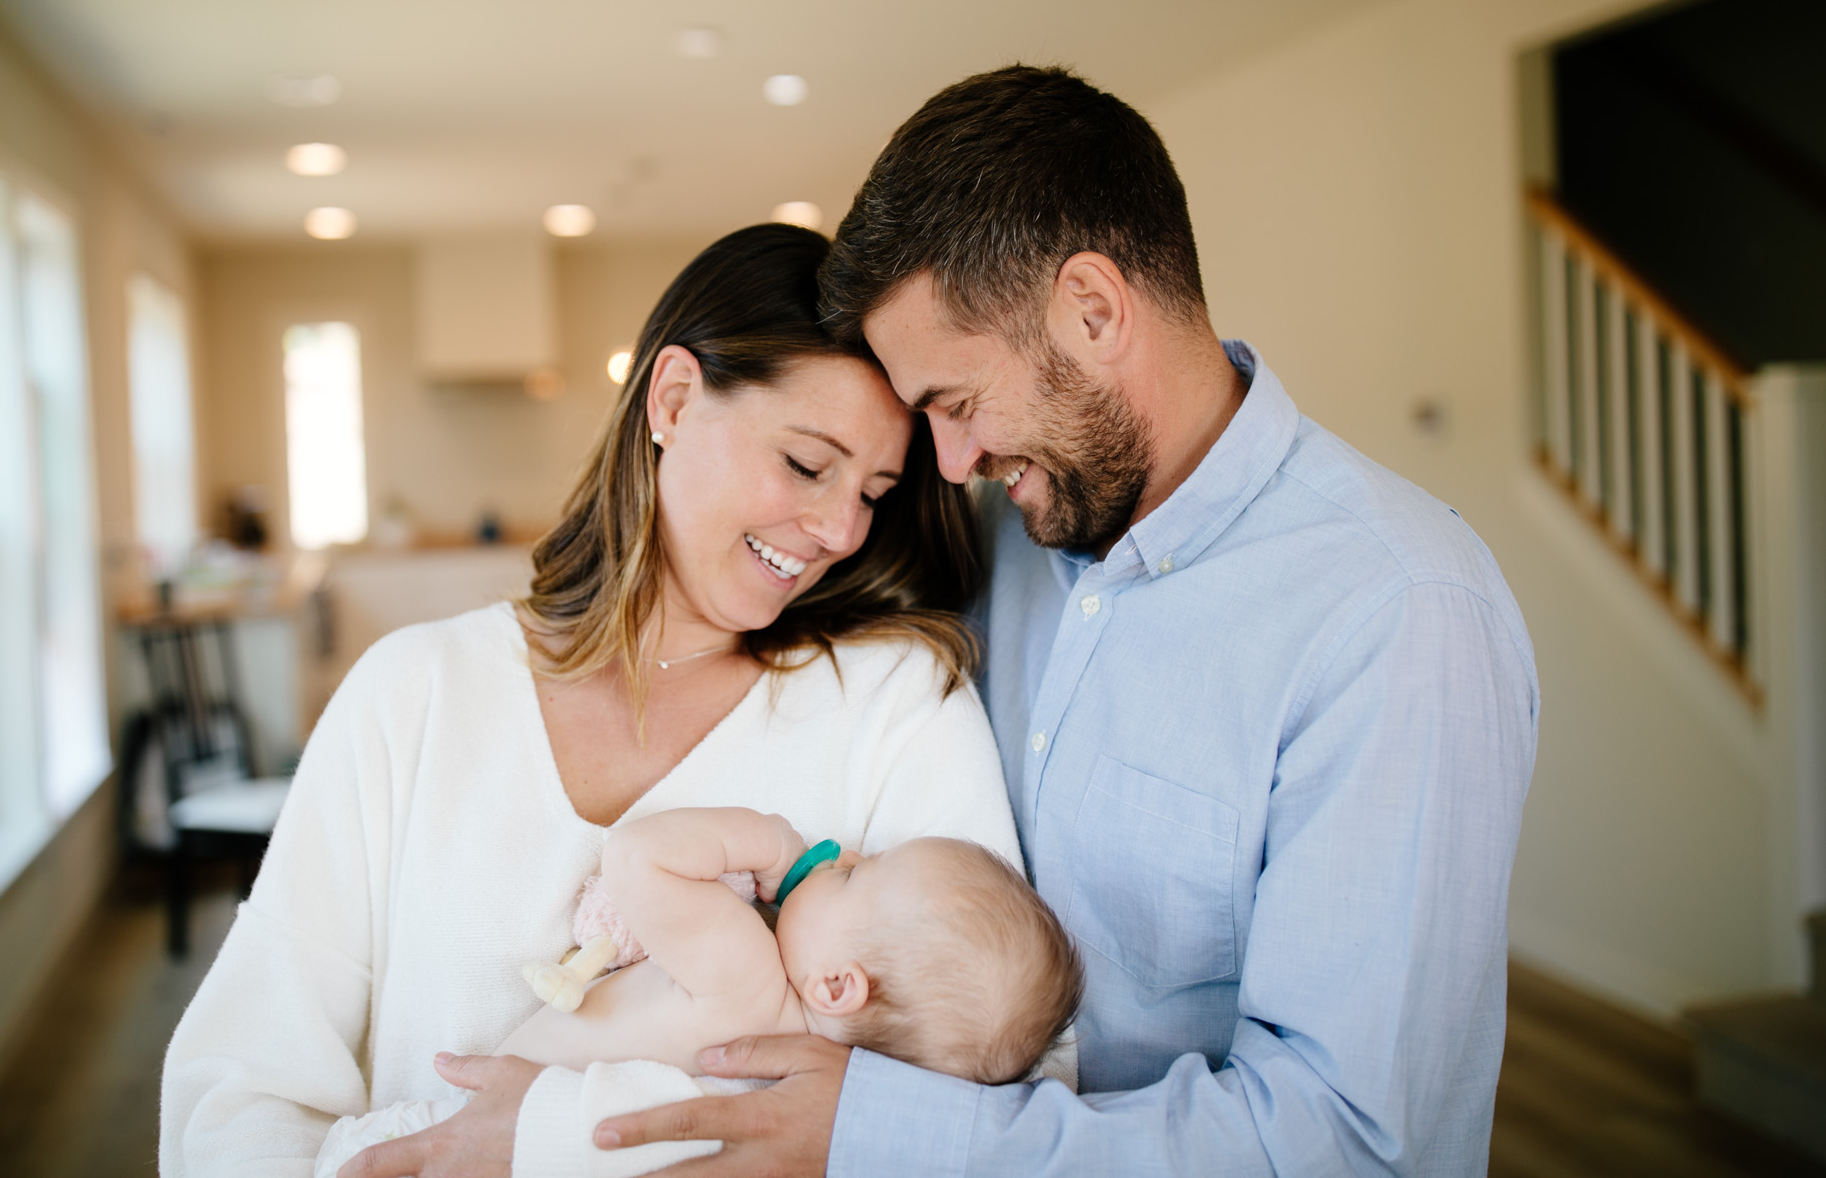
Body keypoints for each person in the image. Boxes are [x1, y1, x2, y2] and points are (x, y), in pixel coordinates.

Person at [521, 65, 1540, 1175]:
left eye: (955, 404)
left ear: (1093, 311)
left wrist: (872, 1129)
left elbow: (1352, 1144)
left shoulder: (1394, 615)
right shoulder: (1000, 541)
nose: (948, 463)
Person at [157, 224, 1027, 1176]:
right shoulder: (413, 694)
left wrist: (555, 1136)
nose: (836, 529)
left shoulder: (894, 700)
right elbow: (236, 1092)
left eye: (874, 491)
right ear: (676, 398)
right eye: (808, 465)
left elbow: (994, 1087)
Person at [314, 808, 1083, 1176]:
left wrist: (779, 847)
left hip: (445, 1131)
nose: (844, 854)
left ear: (839, 984)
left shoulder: (750, 976)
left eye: (855, 873)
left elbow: (640, 856)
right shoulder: (803, 1065)